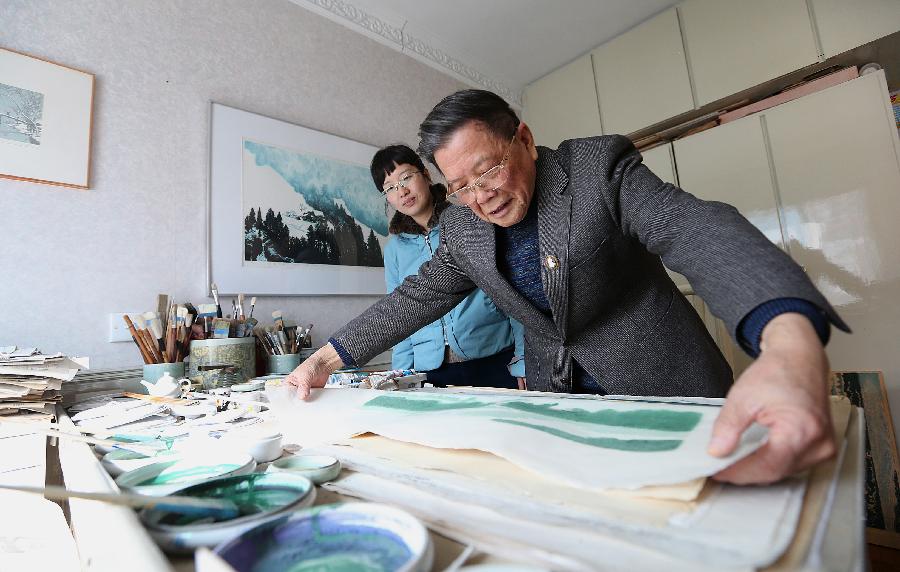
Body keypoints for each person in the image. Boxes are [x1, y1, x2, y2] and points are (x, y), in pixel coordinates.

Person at [287, 89, 850, 486]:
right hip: (560, 406)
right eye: (460, 187)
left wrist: (790, 345)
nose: (479, 196)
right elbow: (418, 295)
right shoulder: (462, 224)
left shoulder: (595, 169)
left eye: (487, 171)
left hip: (664, 385)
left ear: (524, 140)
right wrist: (327, 358)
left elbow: (694, 230)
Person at [372, 144, 525, 389]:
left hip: (494, 358)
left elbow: (512, 291)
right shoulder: (394, 250)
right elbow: (399, 313)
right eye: (390, 188)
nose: (402, 191)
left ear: (426, 174)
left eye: (406, 177)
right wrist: (400, 377)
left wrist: (523, 359)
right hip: (431, 372)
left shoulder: (470, 218)